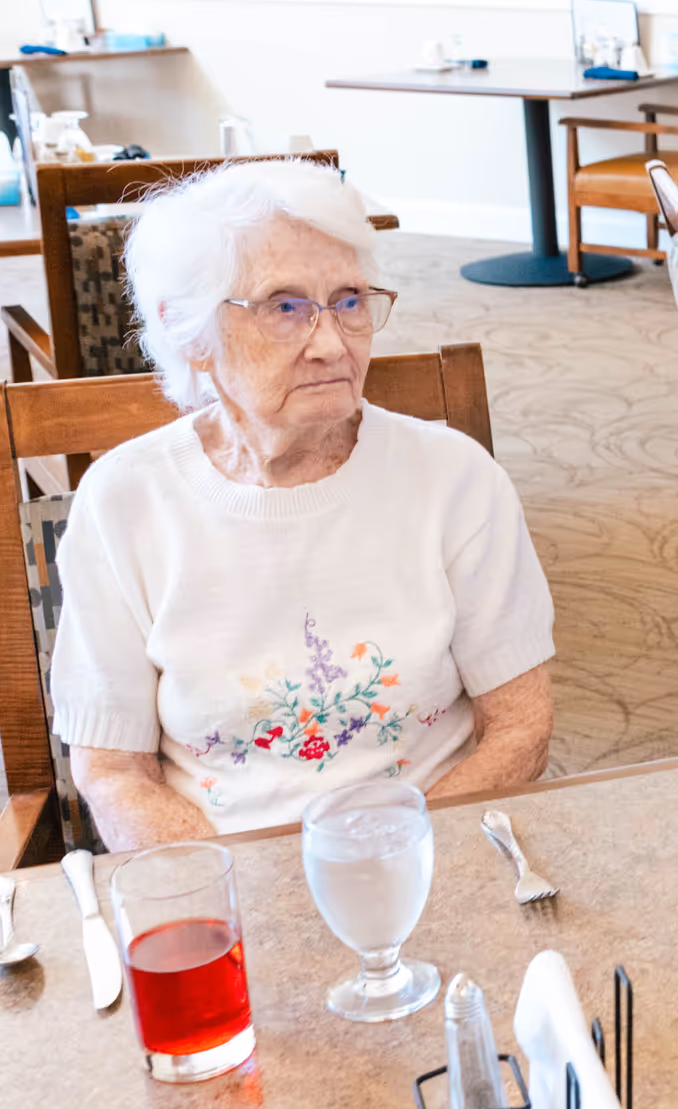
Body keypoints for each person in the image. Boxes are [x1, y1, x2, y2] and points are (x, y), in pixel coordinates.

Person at [51, 159, 556, 848]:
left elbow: (521, 726)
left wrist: (396, 864)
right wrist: (232, 893)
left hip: (427, 856)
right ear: (188, 331)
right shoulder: (123, 503)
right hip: (228, 879)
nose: (330, 343)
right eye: (284, 307)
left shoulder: (456, 480)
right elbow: (113, 773)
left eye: (349, 300)